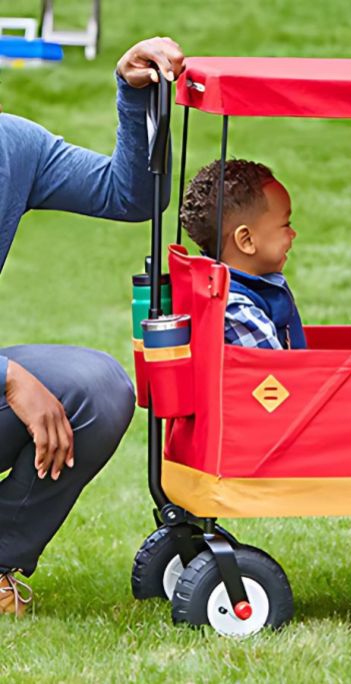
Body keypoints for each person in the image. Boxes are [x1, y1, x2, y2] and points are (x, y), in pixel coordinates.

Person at [0, 37, 186, 616]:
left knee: (97, 392)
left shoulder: (12, 146)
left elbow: (130, 195)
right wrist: (8, 378)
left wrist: (135, 97)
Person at [180, 160, 305, 350]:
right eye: (285, 225)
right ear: (246, 240)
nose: (293, 233)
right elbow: (277, 373)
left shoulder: (257, 285)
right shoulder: (237, 311)